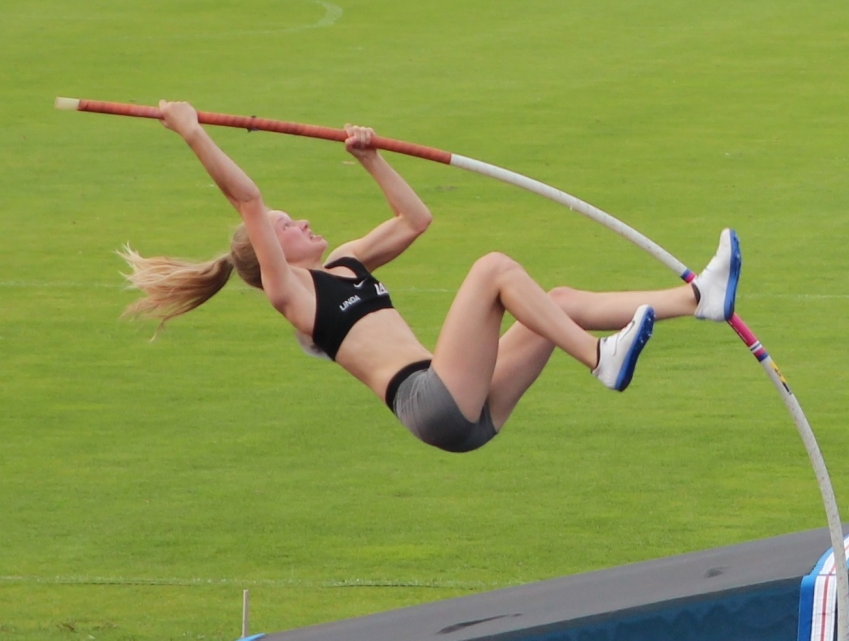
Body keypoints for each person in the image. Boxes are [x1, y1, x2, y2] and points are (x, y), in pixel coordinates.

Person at [119, 100, 741, 453]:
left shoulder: (346, 262)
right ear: (271, 251)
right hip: (432, 401)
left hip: (465, 407)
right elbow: (249, 201)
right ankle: (599, 359)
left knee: (556, 300)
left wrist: (371, 159)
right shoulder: (293, 295)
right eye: (288, 224)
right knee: (494, 270)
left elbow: (415, 219)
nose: (301, 221)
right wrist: (193, 133)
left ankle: (697, 299)